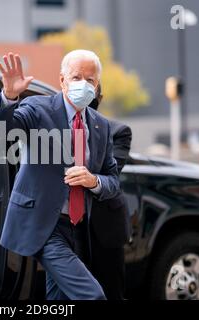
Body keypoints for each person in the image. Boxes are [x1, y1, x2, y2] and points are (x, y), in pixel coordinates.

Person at [0, 50, 119, 300]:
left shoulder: (101, 125)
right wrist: (9, 96)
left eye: (90, 80)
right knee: (93, 296)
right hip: (45, 224)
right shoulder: (38, 108)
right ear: (62, 80)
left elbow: (113, 181)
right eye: (76, 77)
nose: (83, 84)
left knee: (59, 299)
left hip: (78, 228)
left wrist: (94, 181)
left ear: (97, 85)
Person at [89, 85, 132, 300]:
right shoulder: (56, 127)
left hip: (104, 226)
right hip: (68, 226)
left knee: (111, 290)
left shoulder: (118, 130)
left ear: (100, 97)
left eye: (90, 86)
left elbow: (110, 171)